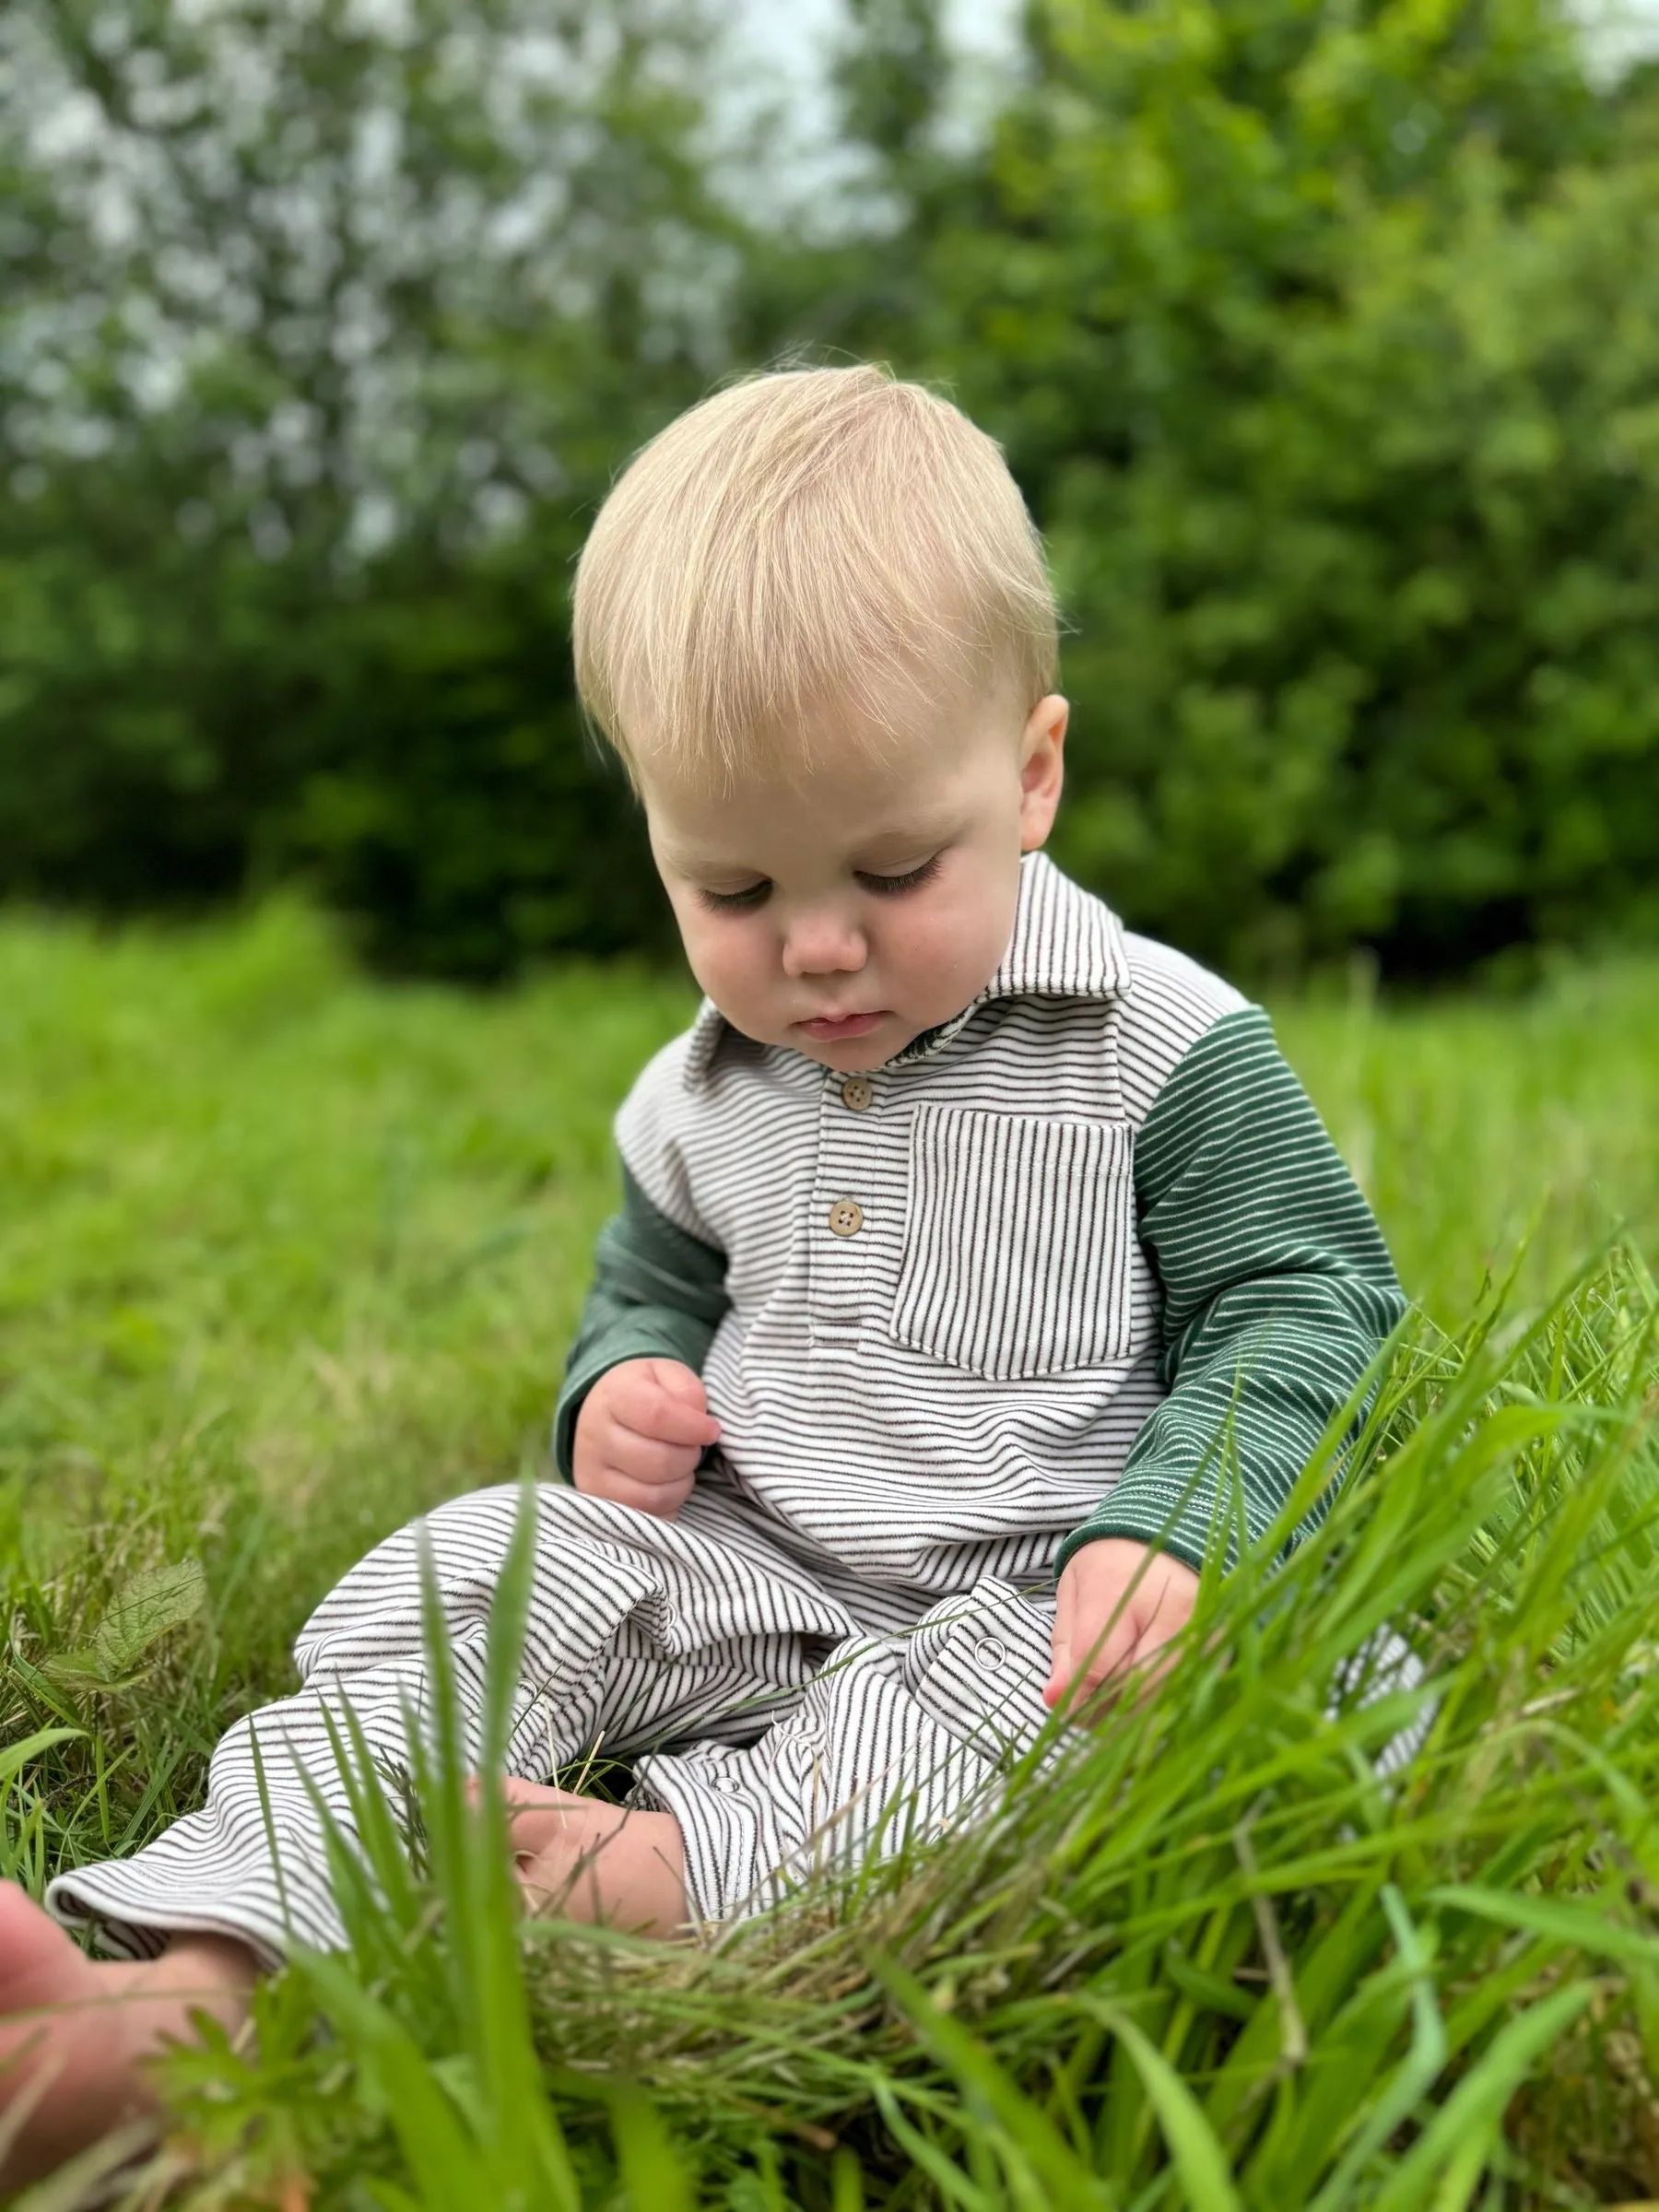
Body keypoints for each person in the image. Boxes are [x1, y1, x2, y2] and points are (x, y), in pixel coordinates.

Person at [0, 365, 1405, 2183]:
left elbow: (1306, 1302)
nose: (817, 948)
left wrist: (1179, 1524)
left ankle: (686, 1882)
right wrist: (621, 1387)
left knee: (1026, 1720)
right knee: (476, 1566)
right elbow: (651, 1282)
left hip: (1041, 1585)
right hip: (754, 1561)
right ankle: (202, 1981)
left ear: (1034, 773)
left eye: (894, 868)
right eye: (733, 890)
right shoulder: (702, 1090)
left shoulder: (1158, 1045)